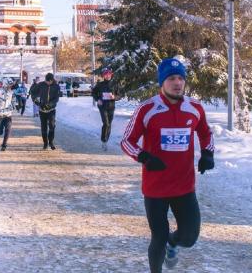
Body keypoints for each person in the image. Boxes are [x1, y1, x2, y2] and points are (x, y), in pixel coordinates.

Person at [121, 58, 215, 273]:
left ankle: (174, 243)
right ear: (162, 82)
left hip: (184, 186)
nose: (177, 83)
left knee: (190, 237)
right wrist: (144, 157)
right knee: (158, 237)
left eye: (181, 78)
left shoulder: (195, 108)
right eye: (171, 78)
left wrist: (208, 154)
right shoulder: (147, 109)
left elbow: (206, 132)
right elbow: (127, 141)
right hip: (156, 188)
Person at [31, 73, 61, 150]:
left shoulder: (56, 86)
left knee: (52, 126)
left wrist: (50, 104)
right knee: (43, 127)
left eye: (48, 81)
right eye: (46, 81)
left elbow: (56, 98)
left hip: (51, 110)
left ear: (51, 80)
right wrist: (35, 100)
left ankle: (51, 141)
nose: (47, 82)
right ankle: (45, 143)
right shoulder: (41, 84)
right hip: (42, 109)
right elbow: (32, 92)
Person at [92, 68, 118, 151]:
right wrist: (97, 99)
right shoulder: (100, 84)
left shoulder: (115, 84)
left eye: (109, 74)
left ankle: (106, 140)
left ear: (111, 75)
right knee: (106, 123)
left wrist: (115, 97)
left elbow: (120, 94)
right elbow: (93, 92)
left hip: (111, 106)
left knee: (109, 124)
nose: (108, 76)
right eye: (106, 74)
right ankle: (103, 140)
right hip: (102, 106)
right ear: (103, 75)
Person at [0, 78, 17, 150]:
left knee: (8, 129)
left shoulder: (12, 93)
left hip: (8, 115)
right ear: (5, 84)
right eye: (9, 85)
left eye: (11, 85)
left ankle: (4, 145)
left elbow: (14, 102)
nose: (10, 87)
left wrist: (14, 106)